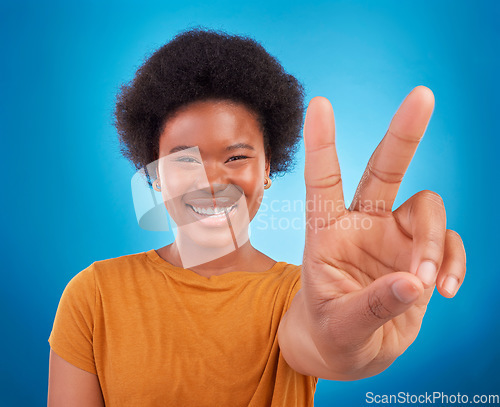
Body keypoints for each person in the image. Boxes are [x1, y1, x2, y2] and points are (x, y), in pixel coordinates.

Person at [47, 28, 466, 406]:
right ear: (154, 175)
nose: (211, 181)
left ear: (267, 169)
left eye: (236, 157)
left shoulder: (301, 295)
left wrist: (350, 338)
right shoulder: (94, 295)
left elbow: (318, 337)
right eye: (183, 160)